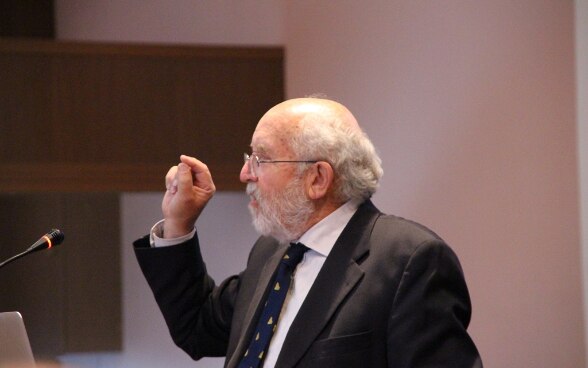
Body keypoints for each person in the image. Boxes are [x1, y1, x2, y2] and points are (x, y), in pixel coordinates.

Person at [133, 97, 482, 367]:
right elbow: (198, 328)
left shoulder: (410, 260)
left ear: (317, 179)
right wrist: (179, 224)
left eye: (261, 159)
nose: (244, 174)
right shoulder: (272, 251)